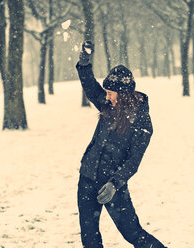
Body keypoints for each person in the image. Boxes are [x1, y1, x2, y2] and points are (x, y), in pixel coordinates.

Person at [76, 41, 167, 248]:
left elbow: (133, 161)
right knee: (90, 238)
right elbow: (90, 85)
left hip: (112, 184)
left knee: (133, 233)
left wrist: (114, 184)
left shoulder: (142, 121)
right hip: (87, 177)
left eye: (110, 93)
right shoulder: (107, 104)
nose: (106, 96)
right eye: (106, 92)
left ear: (124, 94)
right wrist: (84, 62)